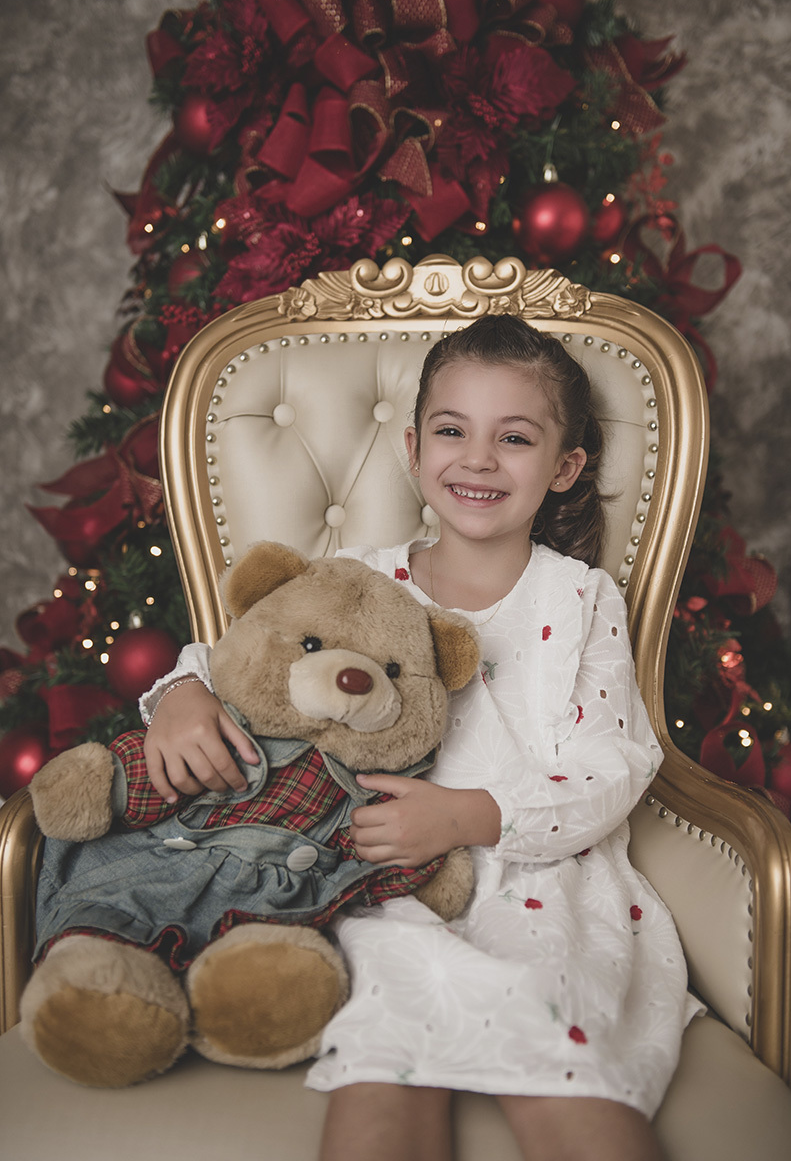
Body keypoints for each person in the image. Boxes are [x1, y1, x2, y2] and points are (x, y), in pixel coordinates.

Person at [141, 316, 699, 1161]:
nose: (478, 460)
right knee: (385, 1060)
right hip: (382, 886)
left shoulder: (580, 600)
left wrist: (466, 816)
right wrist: (182, 693)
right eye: (451, 431)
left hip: (542, 882)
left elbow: (613, 767)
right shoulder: (359, 582)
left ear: (564, 468)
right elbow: (254, 654)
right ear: (412, 448)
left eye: (514, 438)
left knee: (558, 1059)